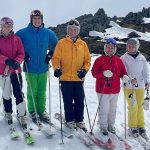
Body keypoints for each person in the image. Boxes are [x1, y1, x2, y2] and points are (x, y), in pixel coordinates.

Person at [16, 10, 58, 124]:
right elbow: (15, 42)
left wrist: (50, 54)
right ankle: (33, 110)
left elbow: (56, 43)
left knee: (42, 91)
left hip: (43, 67)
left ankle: (41, 110)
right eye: (34, 19)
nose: (37, 20)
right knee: (32, 91)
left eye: (39, 19)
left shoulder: (47, 32)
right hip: (30, 67)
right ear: (31, 19)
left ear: (42, 20)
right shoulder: (23, 32)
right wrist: (23, 53)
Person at [52, 19, 91, 131]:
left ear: (78, 31)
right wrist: (57, 69)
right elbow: (56, 59)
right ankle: (69, 120)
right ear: (67, 30)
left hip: (79, 78)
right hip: (65, 78)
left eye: (75, 29)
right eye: (70, 29)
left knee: (79, 100)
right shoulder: (61, 43)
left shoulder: (83, 44)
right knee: (68, 101)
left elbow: (87, 60)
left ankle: (79, 120)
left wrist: (84, 70)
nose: (73, 31)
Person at [91, 38, 129, 135]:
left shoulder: (118, 60)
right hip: (102, 89)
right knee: (104, 108)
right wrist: (103, 73)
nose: (110, 49)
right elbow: (94, 73)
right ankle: (103, 126)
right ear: (105, 48)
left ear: (115, 49)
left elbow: (123, 72)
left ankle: (111, 125)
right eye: (108, 47)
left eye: (112, 48)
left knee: (113, 109)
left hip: (115, 90)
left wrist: (124, 76)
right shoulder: (99, 60)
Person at [0, 17, 27, 128]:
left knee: (18, 93)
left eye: (9, 26)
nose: (7, 28)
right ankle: (8, 113)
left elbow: (21, 53)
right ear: (1, 27)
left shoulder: (17, 39)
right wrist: (5, 60)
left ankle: (21, 115)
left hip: (16, 71)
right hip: (3, 72)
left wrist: (17, 61)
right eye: (4, 26)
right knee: (6, 94)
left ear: (12, 27)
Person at [121, 38, 150, 138]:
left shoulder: (142, 58)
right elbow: (123, 72)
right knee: (133, 105)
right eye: (129, 45)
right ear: (127, 46)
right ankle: (132, 126)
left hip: (140, 86)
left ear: (137, 46)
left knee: (140, 106)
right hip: (129, 87)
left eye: (133, 46)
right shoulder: (123, 58)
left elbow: (145, 72)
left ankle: (140, 126)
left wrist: (147, 81)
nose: (131, 47)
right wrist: (130, 79)